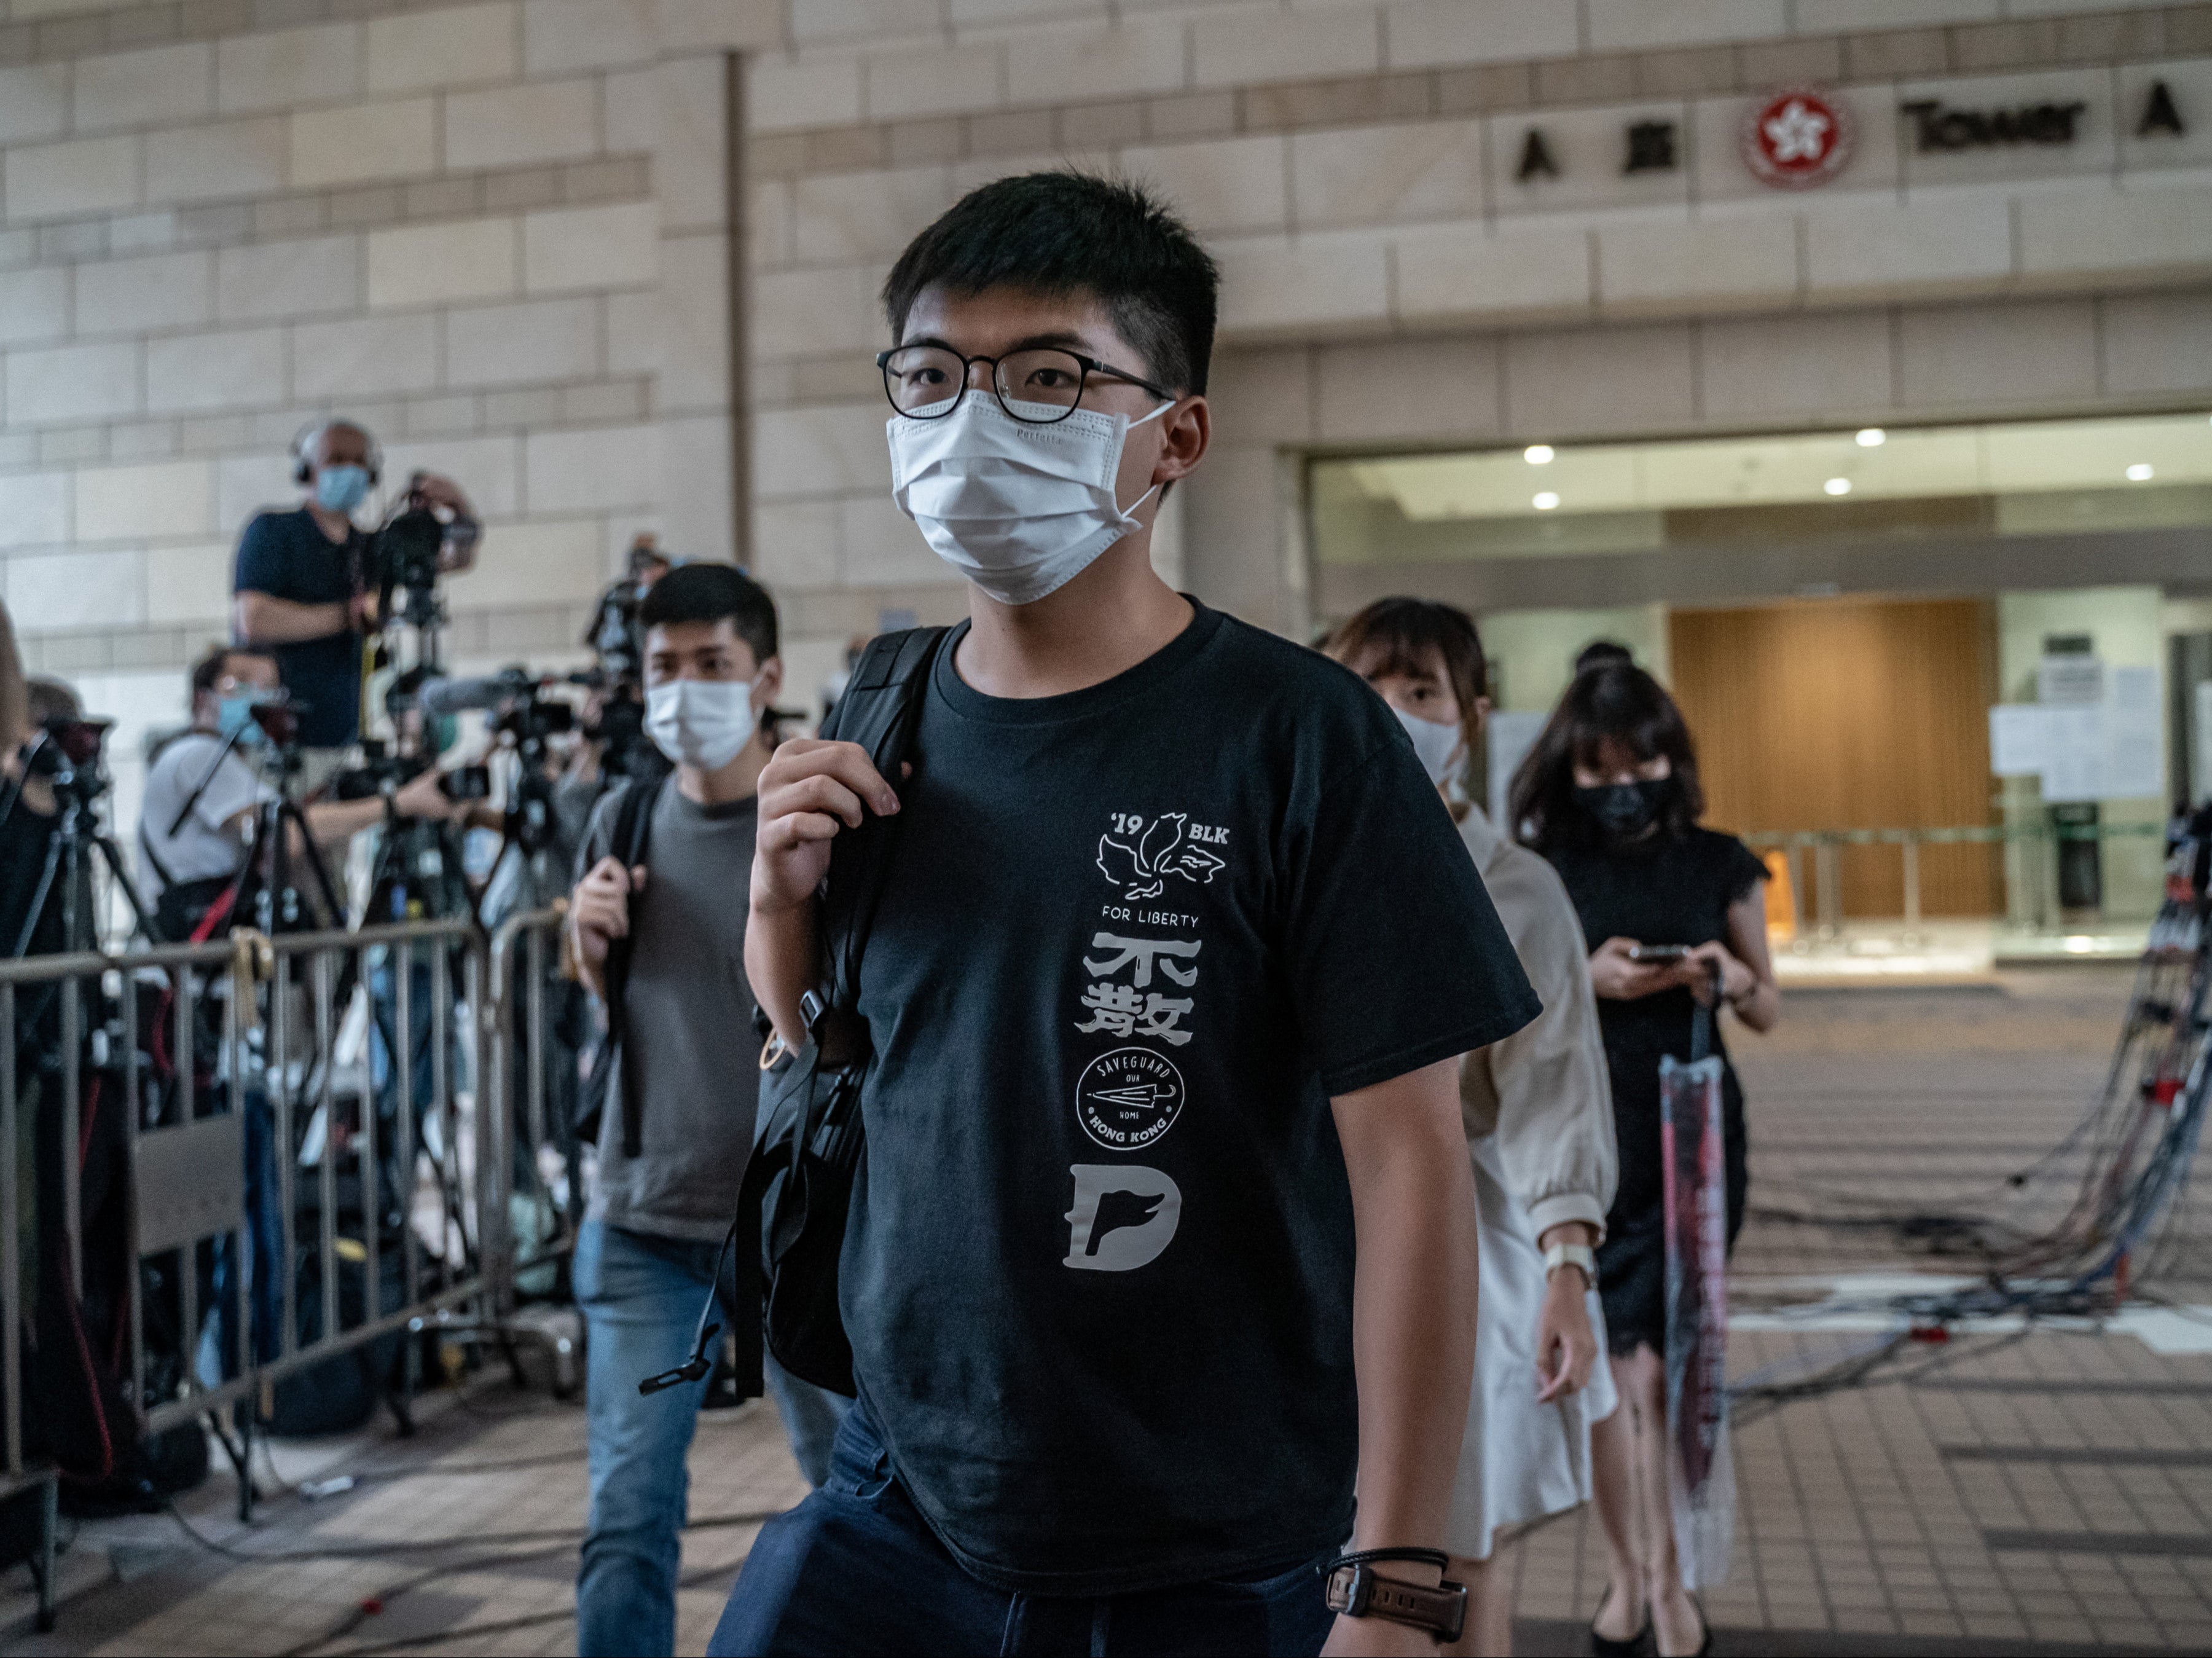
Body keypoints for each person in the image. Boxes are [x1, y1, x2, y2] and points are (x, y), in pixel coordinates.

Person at [722, 171, 1537, 1657]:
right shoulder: (883, 702)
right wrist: (775, 902)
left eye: (1047, 377)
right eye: (930, 376)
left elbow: (1411, 1163)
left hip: (1209, 1548)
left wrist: (1400, 1575)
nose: (971, 421)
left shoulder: (1300, 736)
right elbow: (814, 1038)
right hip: (900, 1495)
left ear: (1176, 435)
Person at [1325, 599, 1620, 1658]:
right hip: (1300, 1250)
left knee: (1453, 1556)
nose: (1395, 714)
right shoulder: (1284, 852)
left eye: (1421, 692)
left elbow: (1552, 1092)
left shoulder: (1520, 889)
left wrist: (1567, 1263)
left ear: (1473, 716)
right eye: (1367, 686)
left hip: (1463, 1251)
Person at [565, 562, 849, 1658]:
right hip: (645, 1222)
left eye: (712, 664)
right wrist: (585, 942)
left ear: (766, 673)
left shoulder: (816, 819)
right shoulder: (622, 814)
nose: (683, 687)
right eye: (663, 667)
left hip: (796, 1223)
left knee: (858, 1498)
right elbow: (622, 990)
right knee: (628, 1517)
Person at [1508, 661, 1779, 1658]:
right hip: (1585, 1134)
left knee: (1666, 1368)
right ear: (1566, 767)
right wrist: (1588, 978)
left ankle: (1669, 1576)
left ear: (1675, 757)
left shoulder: (1721, 862)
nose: (1625, 780)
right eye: (1599, 765)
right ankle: (1631, 1570)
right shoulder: (1537, 869)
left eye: (1645, 758)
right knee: (1606, 1378)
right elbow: (1514, 1004)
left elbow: (1770, 1004)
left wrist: (1730, 972)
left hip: (1698, 1136)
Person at [230, 418, 474, 778]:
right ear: (306, 470)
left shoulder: (370, 548)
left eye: (360, 461)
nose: (351, 470)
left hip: (342, 744)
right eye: (337, 459)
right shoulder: (273, 531)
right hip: (274, 743)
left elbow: (454, 559)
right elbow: (254, 620)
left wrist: (460, 508)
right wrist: (353, 615)